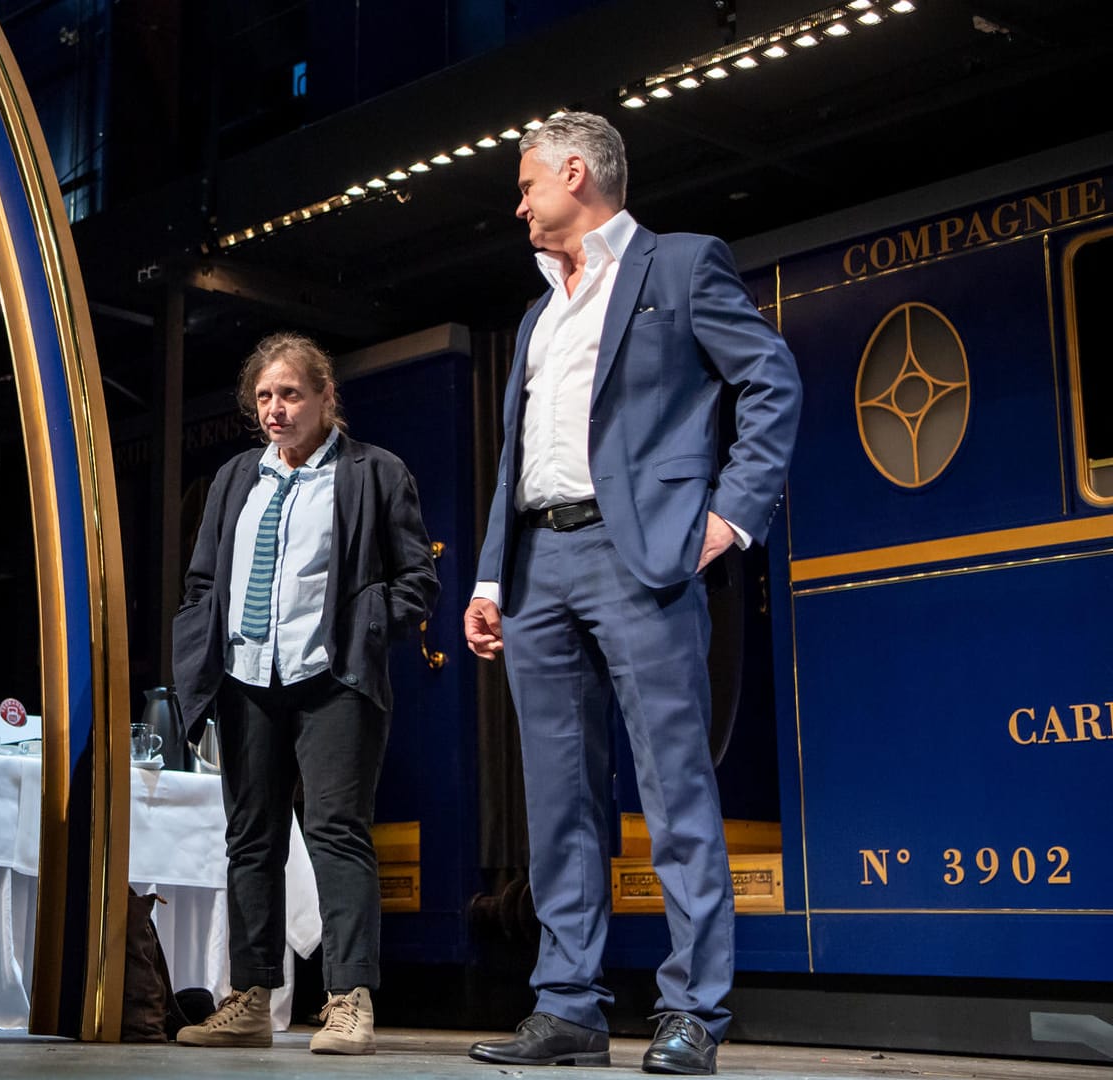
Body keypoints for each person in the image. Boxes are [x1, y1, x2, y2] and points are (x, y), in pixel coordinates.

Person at [462, 111, 801, 1076]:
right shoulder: (536, 313)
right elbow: (514, 461)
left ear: (578, 173)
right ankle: (568, 1009)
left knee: (674, 789)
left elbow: (770, 379)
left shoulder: (682, 266)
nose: (519, 201)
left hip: (639, 558)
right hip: (538, 569)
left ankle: (693, 1011)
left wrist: (731, 516)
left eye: (528, 182)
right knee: (559, 804)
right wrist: (492, 576)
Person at [171, 332, 439, 1056]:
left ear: (326, 397)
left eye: (290, 394)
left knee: (335, 833)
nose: (276, 410)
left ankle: (349, 1000)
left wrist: (357, 630)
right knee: (250, 841)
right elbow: (202, 584)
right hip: (248, 678)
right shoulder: (236, 479)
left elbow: (417, 582)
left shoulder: (373, 472)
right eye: (264, 396)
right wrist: (205, 648)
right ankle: (251, 997)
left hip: (334, 681)